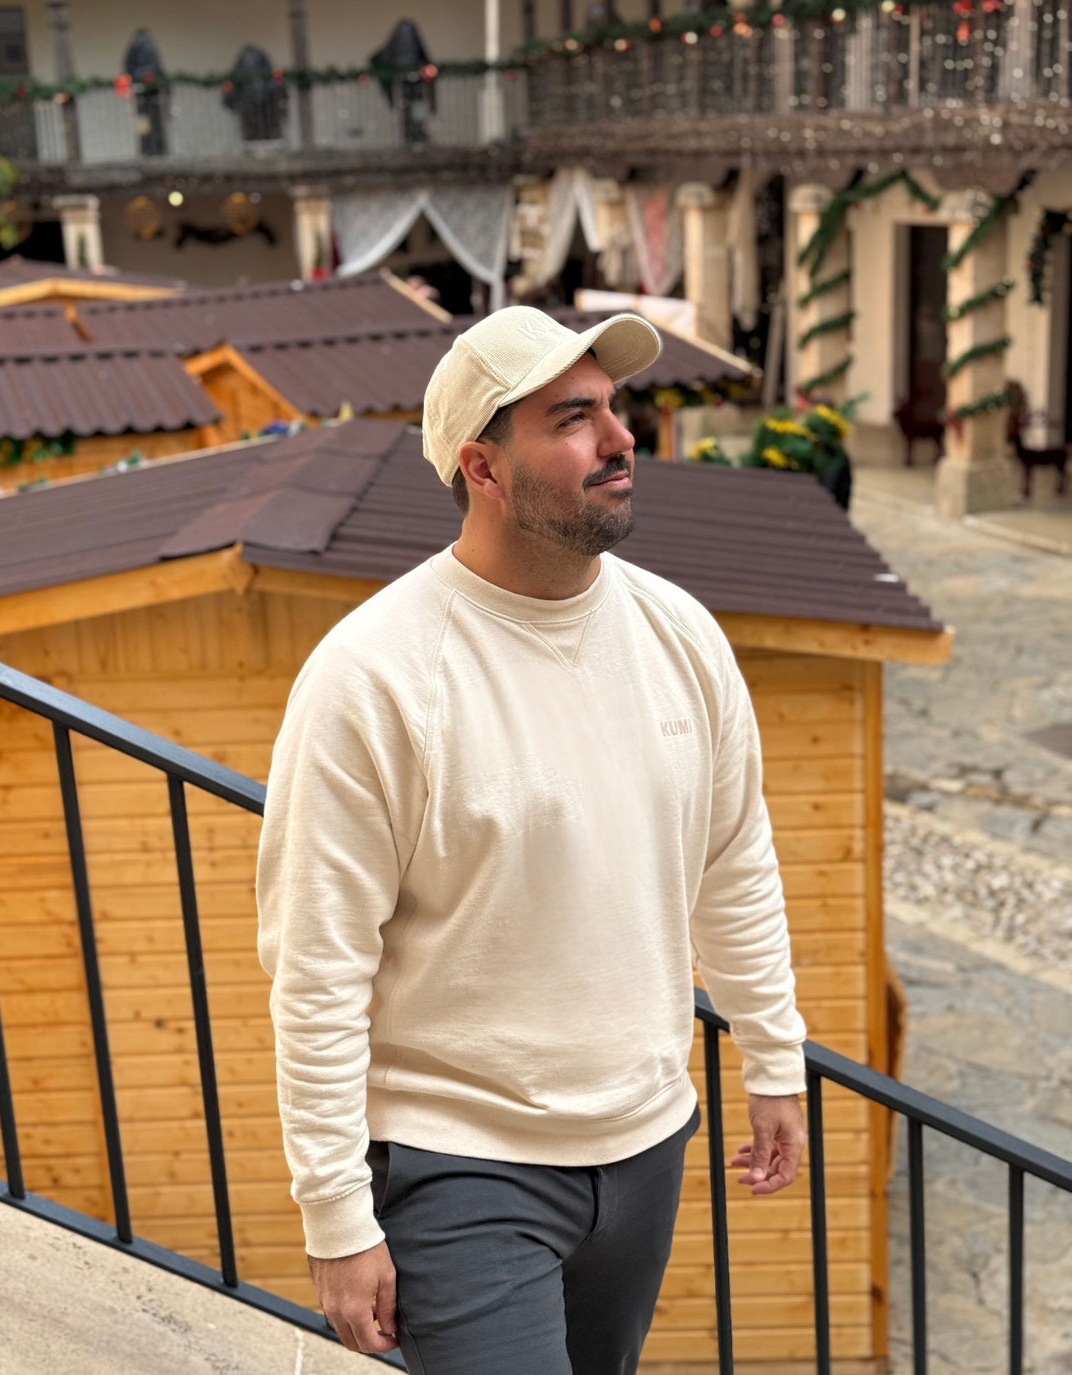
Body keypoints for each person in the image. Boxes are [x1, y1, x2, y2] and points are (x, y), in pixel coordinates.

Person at [257, 307, 808, 1375]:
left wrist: (770, 1054)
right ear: (482, 465)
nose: (619, 438)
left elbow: (732, 860)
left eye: (615, 407)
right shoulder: (372, 677)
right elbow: (317, 967)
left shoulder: (680, 635)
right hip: (457, 1164)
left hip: (647, 1144)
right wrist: (335, 1212)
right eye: (572, 418)